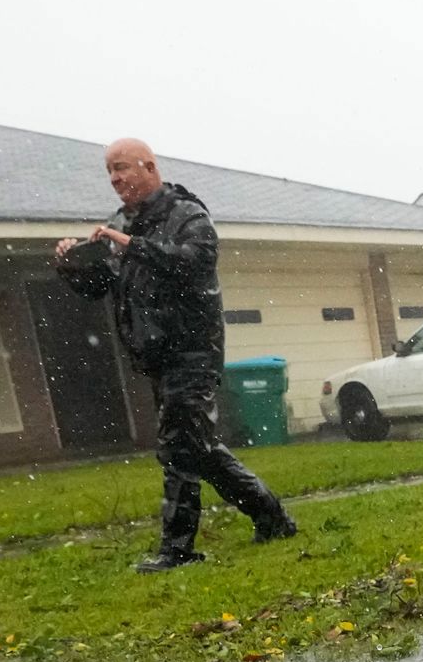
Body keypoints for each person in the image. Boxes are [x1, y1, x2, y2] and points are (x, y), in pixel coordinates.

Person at [55, 139, 296, 572]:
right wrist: (72, 265)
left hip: (193, 351)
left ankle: (177, 550)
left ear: (149, 167)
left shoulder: (188, 215)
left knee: (177, 450)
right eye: (109, 171)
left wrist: (132, 244)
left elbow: (194, 263)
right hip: (155, 355)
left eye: (122, 168)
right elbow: (100, 286)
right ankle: (272, 517)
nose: (115, 179)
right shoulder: (122, 224)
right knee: (197, 450)